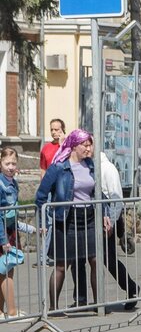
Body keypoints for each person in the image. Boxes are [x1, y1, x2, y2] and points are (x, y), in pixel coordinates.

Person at [35, 130, 110, 311]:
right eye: (85, 145)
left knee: (95, 260)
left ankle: (98, 304)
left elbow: (98, 193)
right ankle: (53, 309)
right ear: (74, 146)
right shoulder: (59, 168)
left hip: (89, 218)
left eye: (90, 145)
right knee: (62, 265)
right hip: (67, 219)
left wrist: (105, 213)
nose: (89, 149)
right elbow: (41, 196)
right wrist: (43, 222)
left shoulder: (90, 165)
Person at [98, 152, 139, 311]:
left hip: (106, 221)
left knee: (108, 259)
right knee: (78, 261)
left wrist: (112, 222)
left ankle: (131, 288)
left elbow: (116, 198)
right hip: (87, 221)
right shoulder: (84, 166)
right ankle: (82, 300)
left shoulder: (107, 168)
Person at [0, 147, 34, 318]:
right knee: (6, 271)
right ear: (0, 163)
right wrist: (3, 240)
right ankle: (12, 312)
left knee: (4, 271)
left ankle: (1, 311)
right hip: (3, 233)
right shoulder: (1, 184)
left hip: (9, 230)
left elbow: (12, 214)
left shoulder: (13, 182)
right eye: (7, 163)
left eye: (13, 163)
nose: (11, 167)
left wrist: (29, 228)